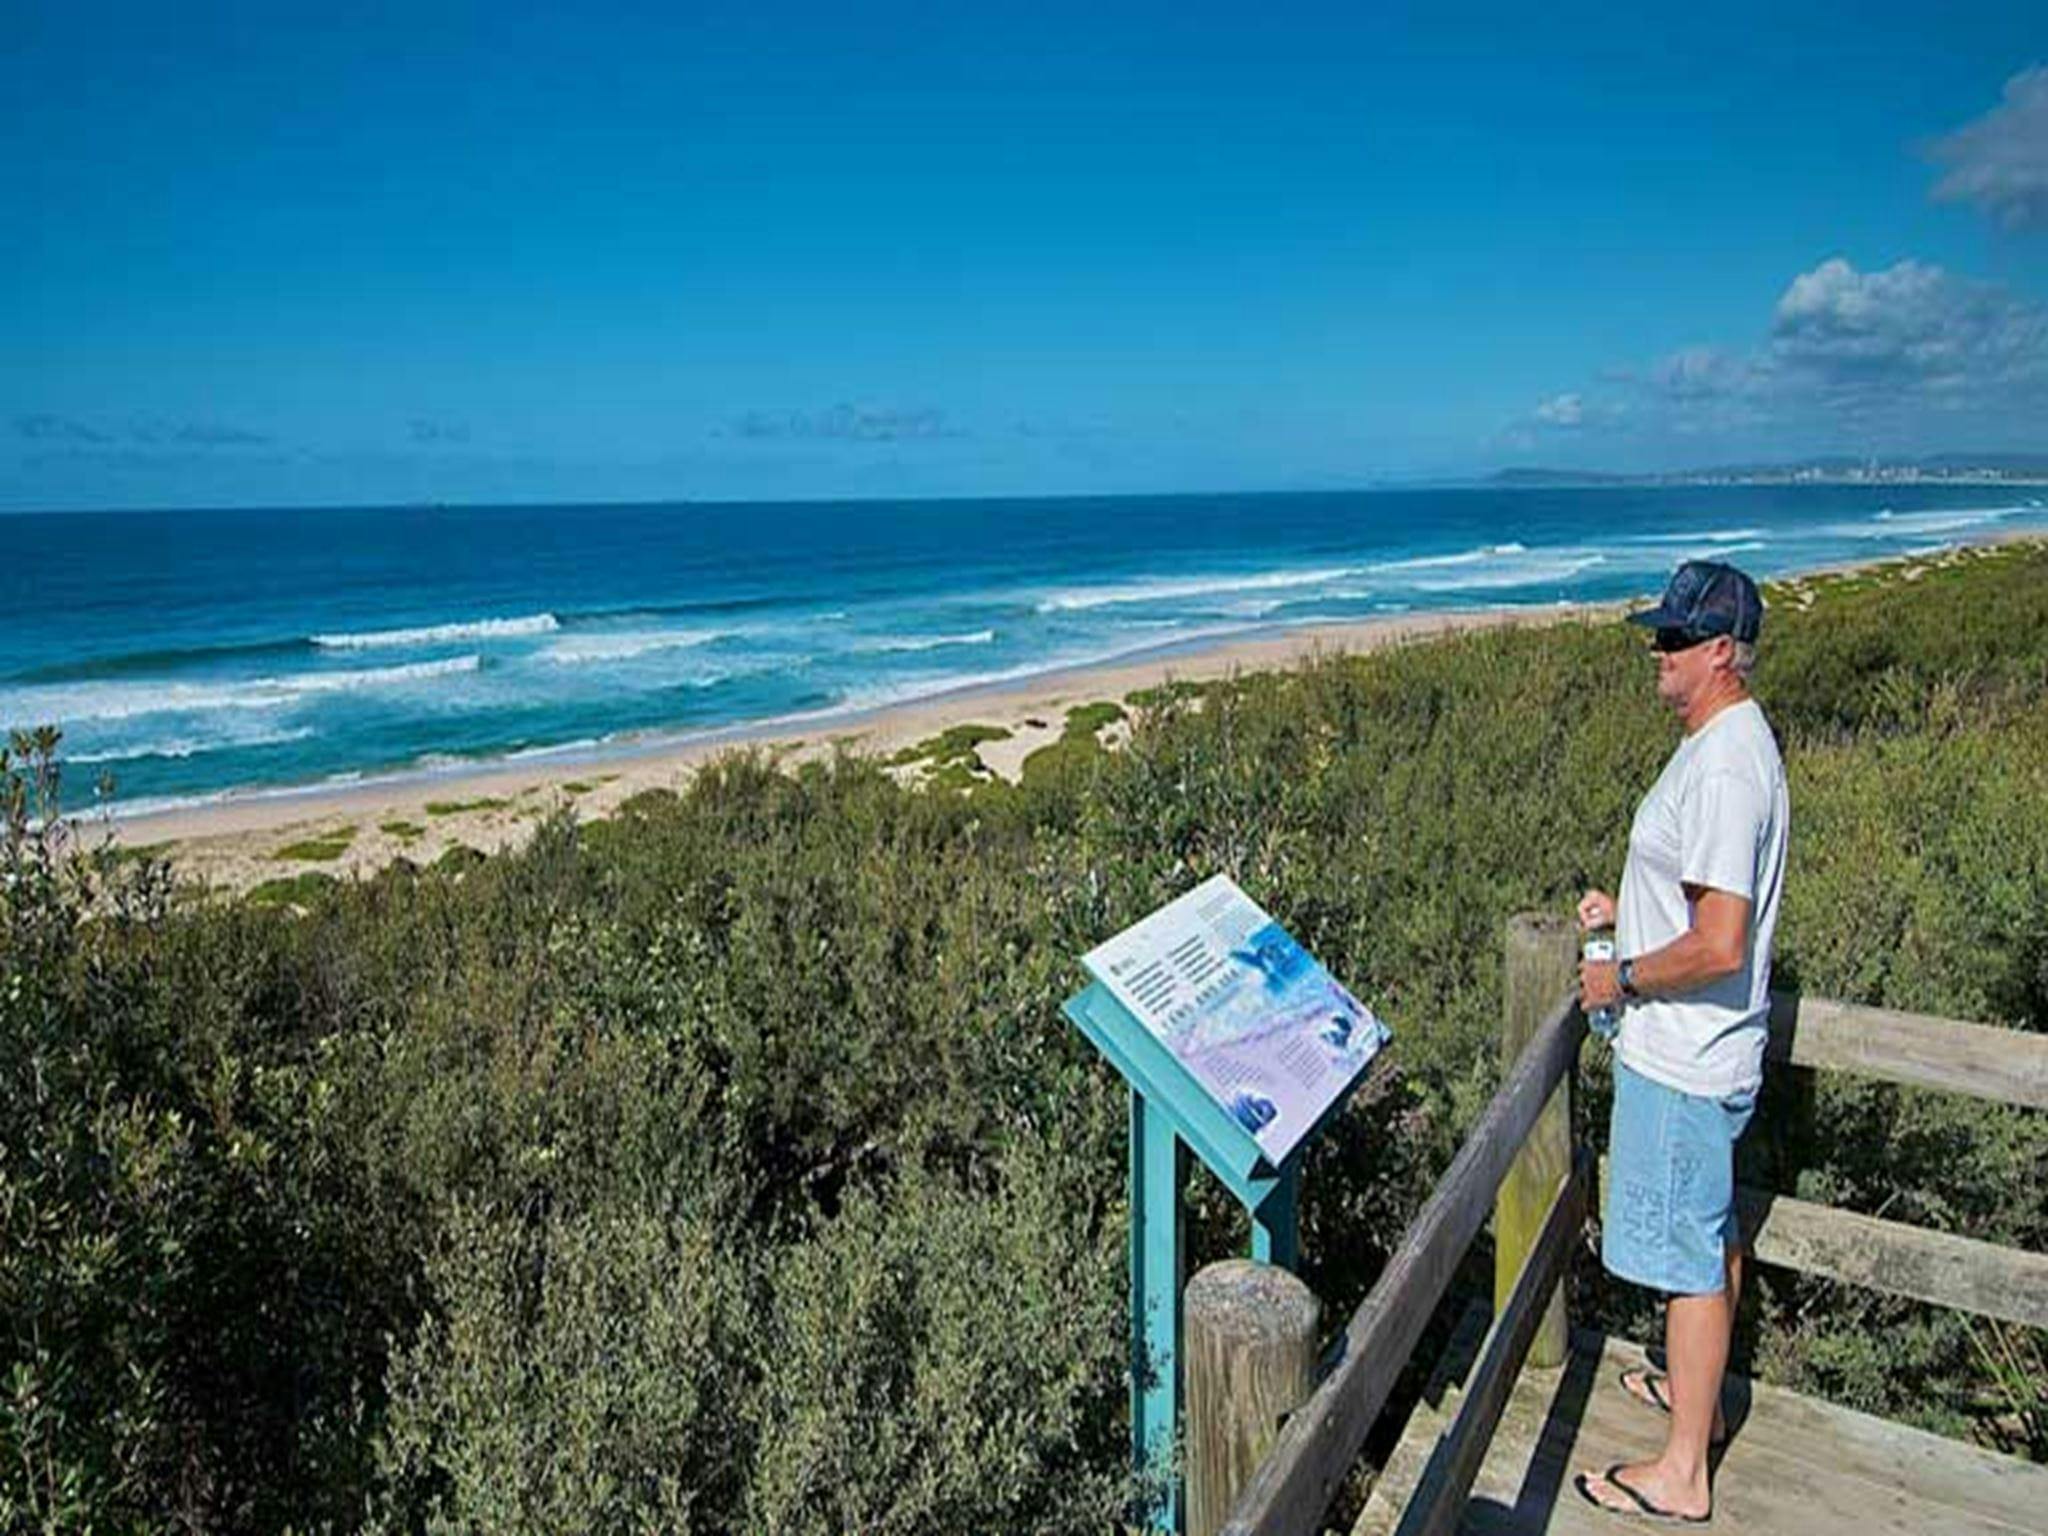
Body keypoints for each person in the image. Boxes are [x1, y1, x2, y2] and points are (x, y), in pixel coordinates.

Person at [1572, 560, 1789, 1526]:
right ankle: (1689, 1398)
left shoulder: (1728, 765)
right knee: (1711, 1232)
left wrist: (1617, 975)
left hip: (1686, 1058)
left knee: (1691, 1261)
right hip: (1708, 1052)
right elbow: (1700, 902)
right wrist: (1634, 909)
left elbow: (1719, 942)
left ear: (1719, 653)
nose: (1654, 652)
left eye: (1671, 639)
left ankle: (1681, 1474)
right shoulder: (1722, 742)